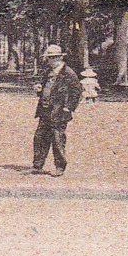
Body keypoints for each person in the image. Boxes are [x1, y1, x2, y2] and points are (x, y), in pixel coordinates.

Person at [31, 44, 82, 176]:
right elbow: (43, 86)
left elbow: (76, 92)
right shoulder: (47, 71)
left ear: (59, 58)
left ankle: (59, 167)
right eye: (48, 58)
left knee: (58, 139)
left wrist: (68, 108)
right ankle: (38, 165)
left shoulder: (68, 73)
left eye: (52, 58)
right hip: (45, 110)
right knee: (40, 138)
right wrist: (39, 88)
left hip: (59, 112)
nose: (49, 61)